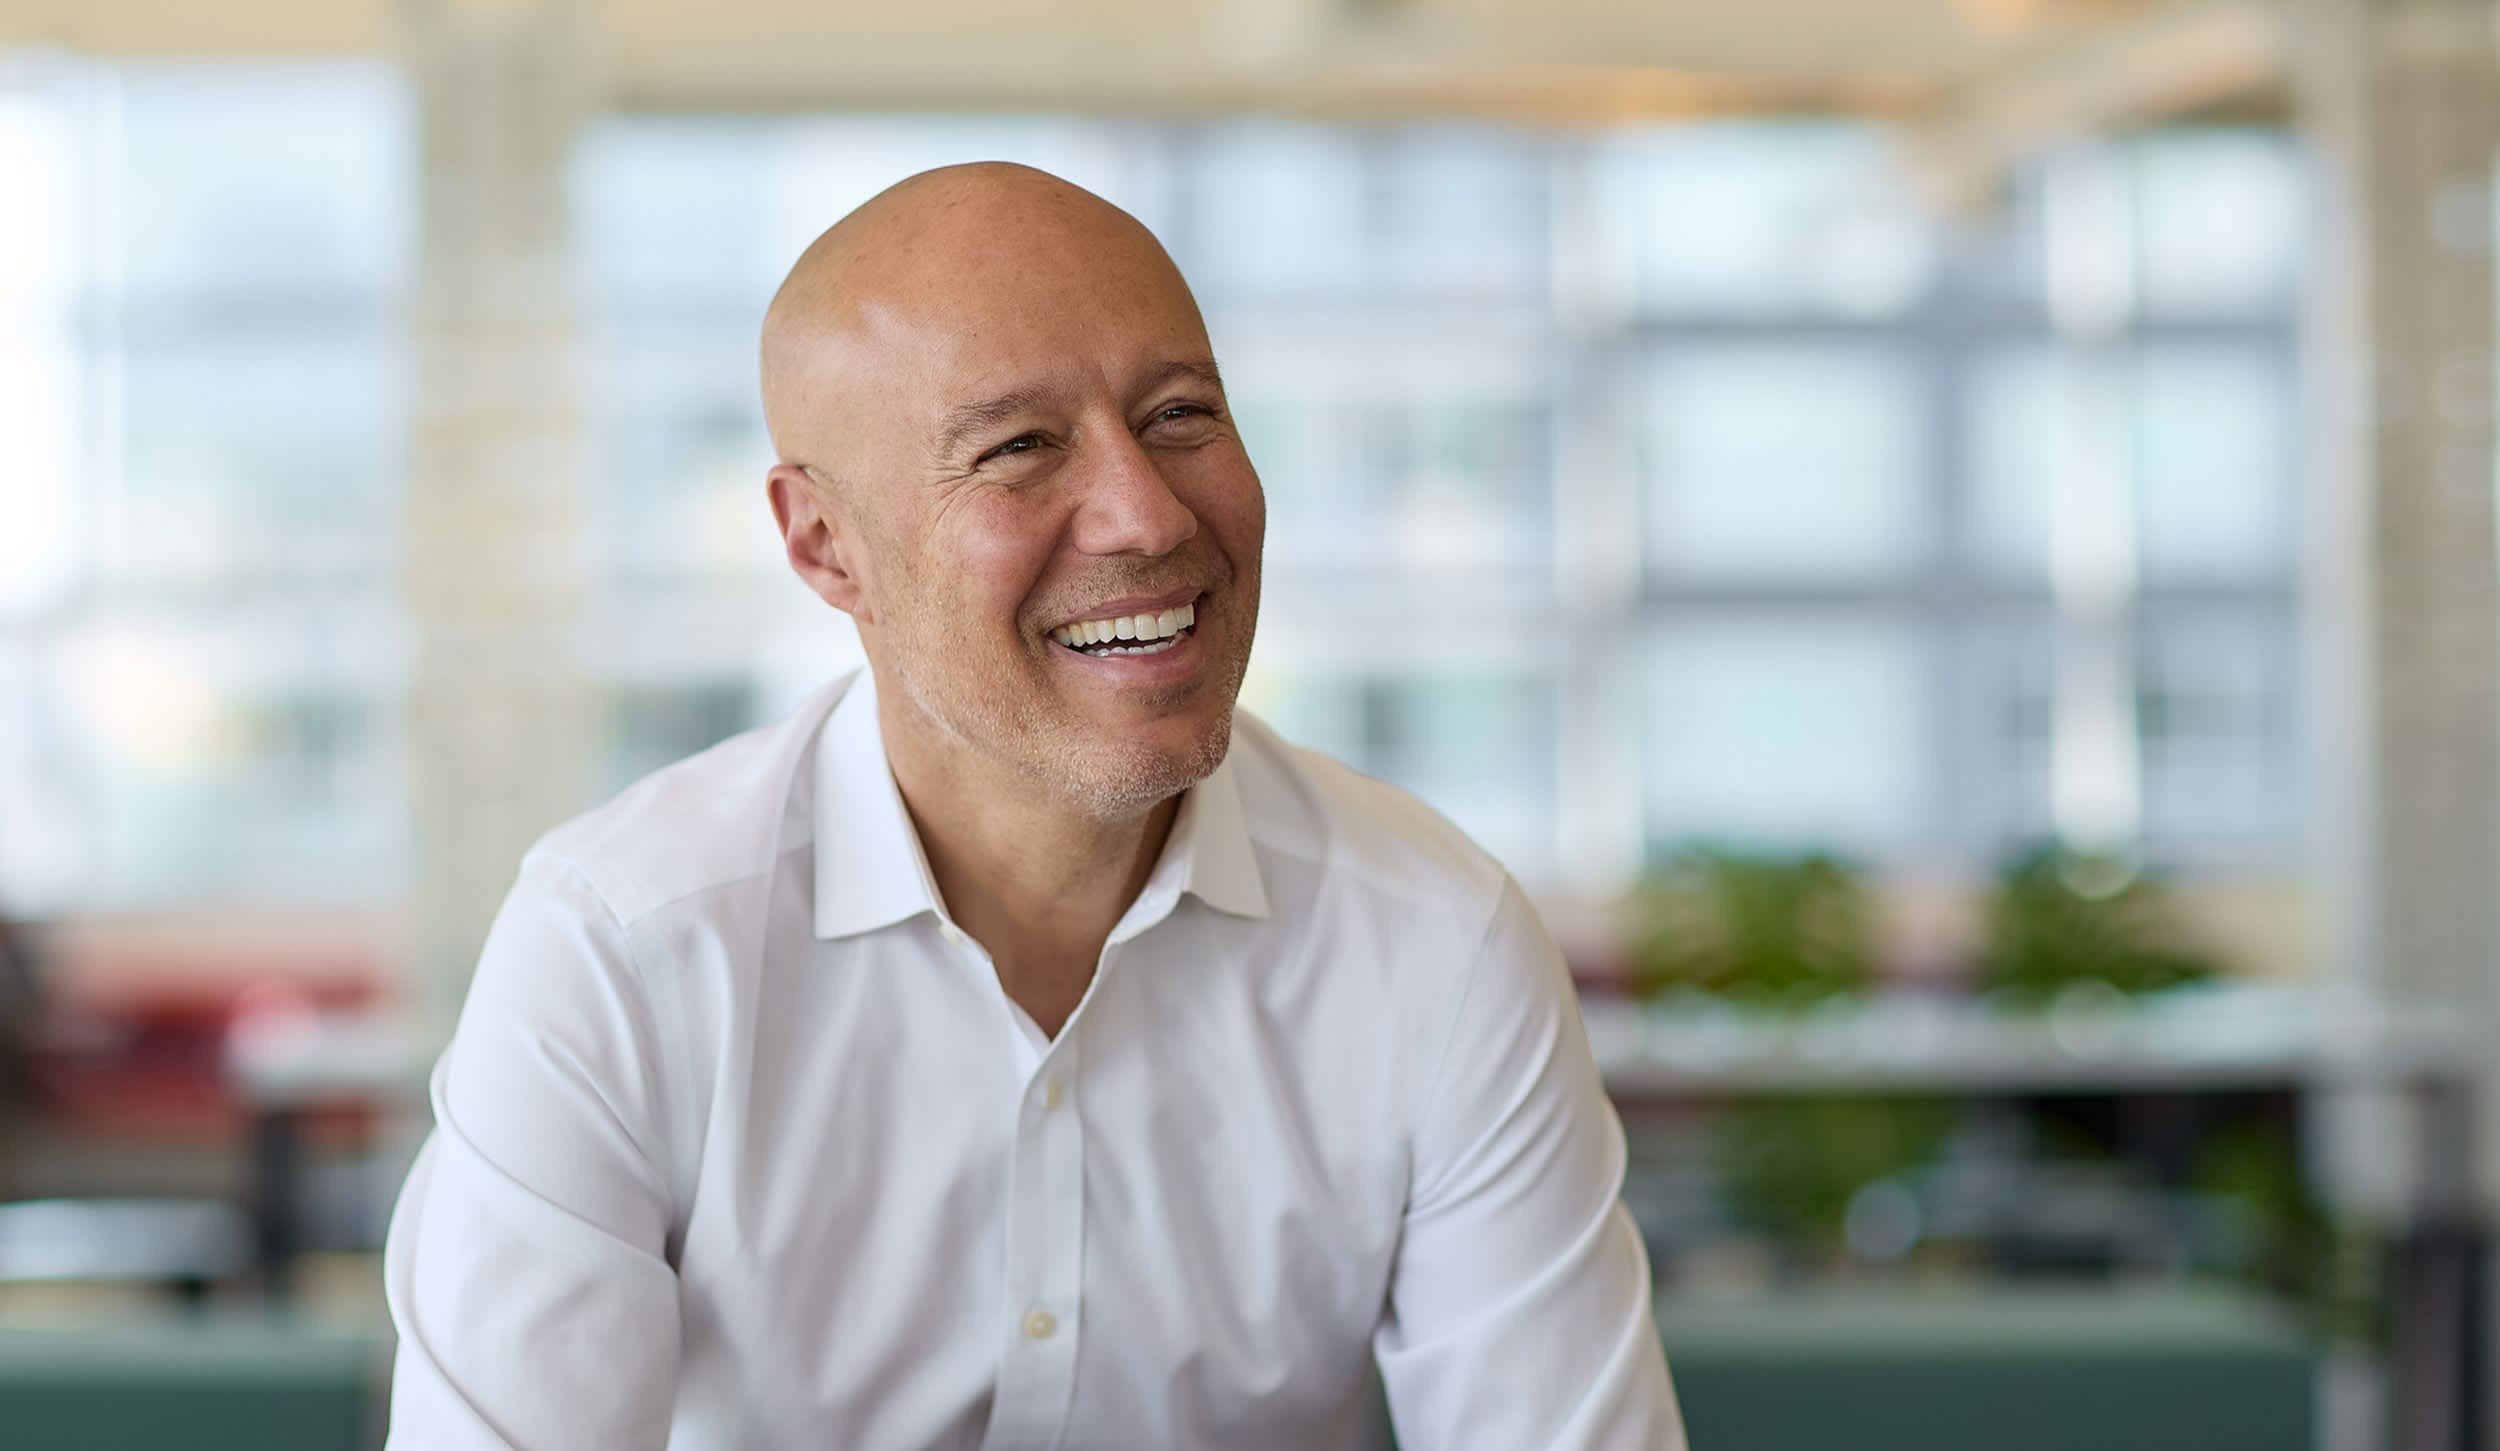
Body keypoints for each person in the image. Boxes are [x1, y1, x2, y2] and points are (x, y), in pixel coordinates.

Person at [383, 161, 1685, 1450]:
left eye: (1180, 414)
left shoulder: (1435, 940)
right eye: (1019, 448)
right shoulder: (625, 947)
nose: (1146, 515)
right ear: (826, 545)